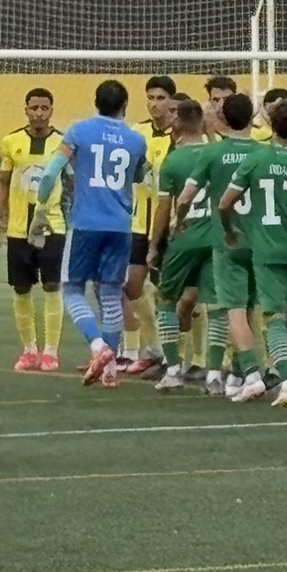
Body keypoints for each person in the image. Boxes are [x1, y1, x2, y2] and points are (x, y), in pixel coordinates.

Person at [32, 79, 148, 389]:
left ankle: (98, 346)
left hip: (86, 223)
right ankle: (110, 371)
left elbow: (50, 172)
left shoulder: (79, 132)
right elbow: (139, 174)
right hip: (120, 227)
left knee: (72, 290)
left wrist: (41, 206)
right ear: (125, 106)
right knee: (110, 293)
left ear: (96, 103)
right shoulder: (136, 140)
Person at [218, 99, 287, 407]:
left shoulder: (257, 159)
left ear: (270, 125)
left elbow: (225, 203)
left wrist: (230, 229)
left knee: (274, 317)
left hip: (268, 248)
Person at [174, 92, 266, 399]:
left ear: (223, 117)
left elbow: (186, 196)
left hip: (227, 239)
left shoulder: (212, 153)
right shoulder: (263, 151)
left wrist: (180, 221)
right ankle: (238, 374)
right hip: (260, 240)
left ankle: (251, 373)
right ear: (252, 117)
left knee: (233, 310)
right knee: (250, 309)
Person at [0, 87, 66, 373]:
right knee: (21, 288)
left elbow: (72, 182)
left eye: (44, 108)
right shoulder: (11, 142)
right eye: (34, 108)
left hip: (52, 225)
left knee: (52, 285)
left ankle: (51, 351)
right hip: (19, 229)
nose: (39, 113)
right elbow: (3, 181)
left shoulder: (63, 143)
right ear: (26, 110)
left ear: (51, 110)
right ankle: (29, 350)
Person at [148, 98, 212, 392]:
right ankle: (216, 372)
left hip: (185, 237)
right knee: (217, 305)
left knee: (166, 298)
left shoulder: (173, 160)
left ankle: (173, 368)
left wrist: (153, 245)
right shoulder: (215, 153)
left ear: (177, 123)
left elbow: (164, 208)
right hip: (215, 235)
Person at [120, 74, 178, 376]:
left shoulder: (179, 136)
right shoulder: (137, 133)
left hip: (172, 222)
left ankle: (184, 357)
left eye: (161, 98)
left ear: (172, 101)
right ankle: (156, 349)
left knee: (174, 292)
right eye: (151, 98)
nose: (155, 104)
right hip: (139, 222)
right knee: (132, 285)